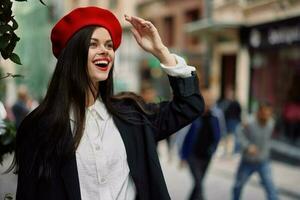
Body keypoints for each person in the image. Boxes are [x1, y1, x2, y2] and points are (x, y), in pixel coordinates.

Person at [10, 6, 204, 200]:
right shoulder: (39, 127)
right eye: (93, 44)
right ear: (73, 54)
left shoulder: (132, 115)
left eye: (109, 45)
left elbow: (189, 105)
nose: (105, 51)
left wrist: (161, 51)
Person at [180, 90, 223, 200]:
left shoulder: (215, 118)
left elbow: (218, 137)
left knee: (198, 184)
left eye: (210, 100)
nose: (208, 102)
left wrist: (213, 150)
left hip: (206, 156)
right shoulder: (193, 117)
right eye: (206, 99)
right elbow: (185, 137)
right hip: (193, 155)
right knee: (199, 184)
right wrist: (183, 156)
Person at [232, 102, 279, 200]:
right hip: (247, 162)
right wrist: (247, 146)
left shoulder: (271, 123)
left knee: (270, 187)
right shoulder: (249, 122)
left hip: (263, 161)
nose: (266, 116)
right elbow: (238, 132)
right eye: (264, 113)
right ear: (259, 112)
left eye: (269, 114)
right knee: (238, 186)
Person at [218, 87, 241, 155]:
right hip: (225, 122)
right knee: (224, 136)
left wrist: (238, 121)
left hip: (233, 122)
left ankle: (229, 152)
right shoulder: (224, 102)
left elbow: (238, 112)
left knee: (231, 137)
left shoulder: (235, 103)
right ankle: (225, 151)